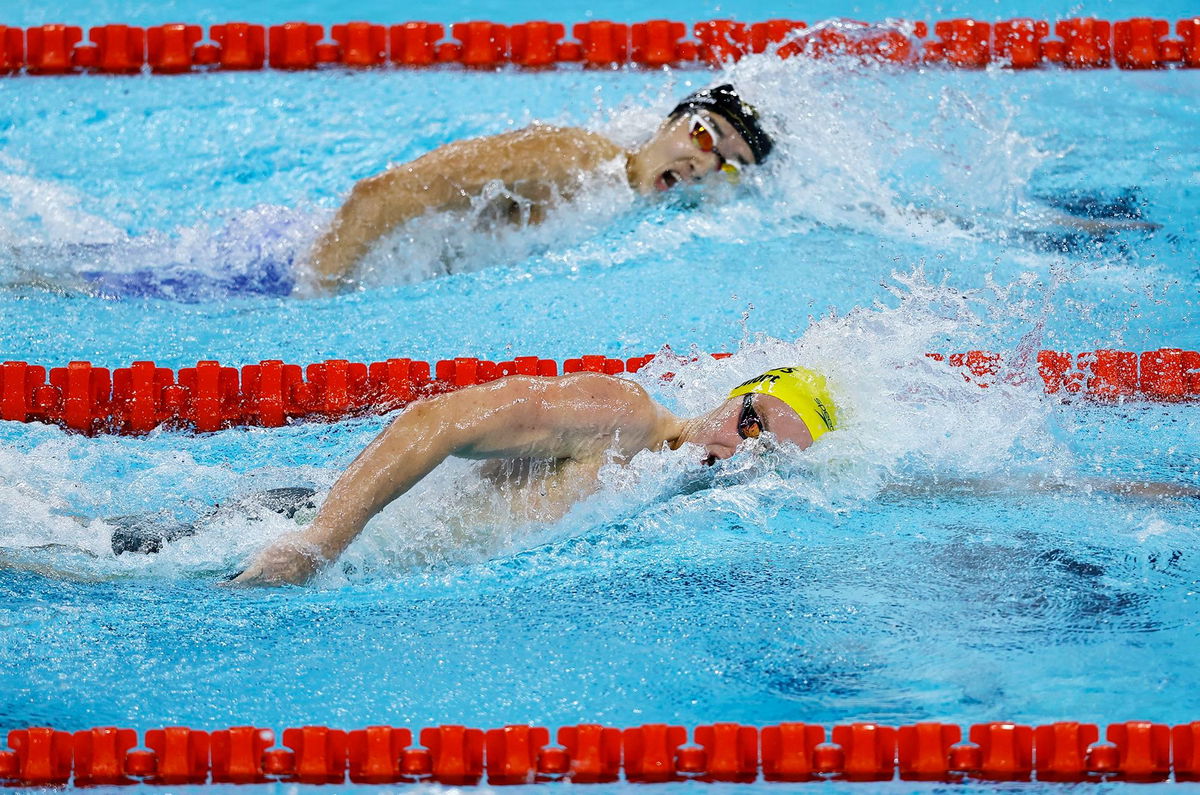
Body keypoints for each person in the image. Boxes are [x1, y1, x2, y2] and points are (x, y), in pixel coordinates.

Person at [230, 366, 834, 585]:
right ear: (736, 395)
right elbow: (435, 419)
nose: (735, 450)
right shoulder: (621, 414)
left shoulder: (666, 498)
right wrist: (321, 542)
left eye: (764, 454)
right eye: (749, 421)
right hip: (301, 528)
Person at [300, 84, 774, 293]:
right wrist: (317, 296)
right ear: (671, 119)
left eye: (729, 166)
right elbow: (380, 195)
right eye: (705, 135)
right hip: (313, 273)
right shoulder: (573, 157)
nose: (704, 164)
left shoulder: (632, 205)